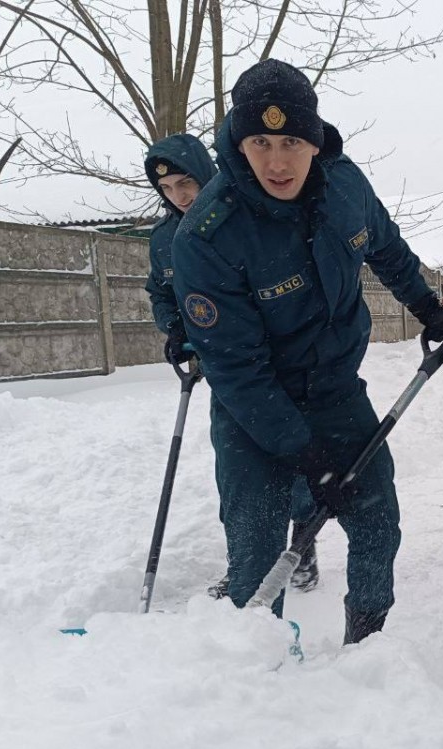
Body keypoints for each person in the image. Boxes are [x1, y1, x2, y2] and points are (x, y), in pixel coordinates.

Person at [172, 59, 443, 643]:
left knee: (377, 517)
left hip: (333, 391)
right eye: (259, 141)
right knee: (257, 553)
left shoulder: (345, 186)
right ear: (238, 138)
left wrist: (428, 308)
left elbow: (386, 247)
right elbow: (236, 369)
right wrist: (307, 455)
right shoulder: (209, 234)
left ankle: (366, 646)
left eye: (291, 141)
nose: (277, 161)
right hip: (253, 412)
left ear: (314, 137)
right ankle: (258, 674)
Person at [143, 135, 321, 598]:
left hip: (275, 370)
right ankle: (245, 566)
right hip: (225, 379)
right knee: (238, 480)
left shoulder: (245, 223)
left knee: (298, 469)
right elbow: (161, 292)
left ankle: (301, 548)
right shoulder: (163, 241)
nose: (180, 195)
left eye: (187, 182)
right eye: (168, 188)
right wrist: (176, 332)